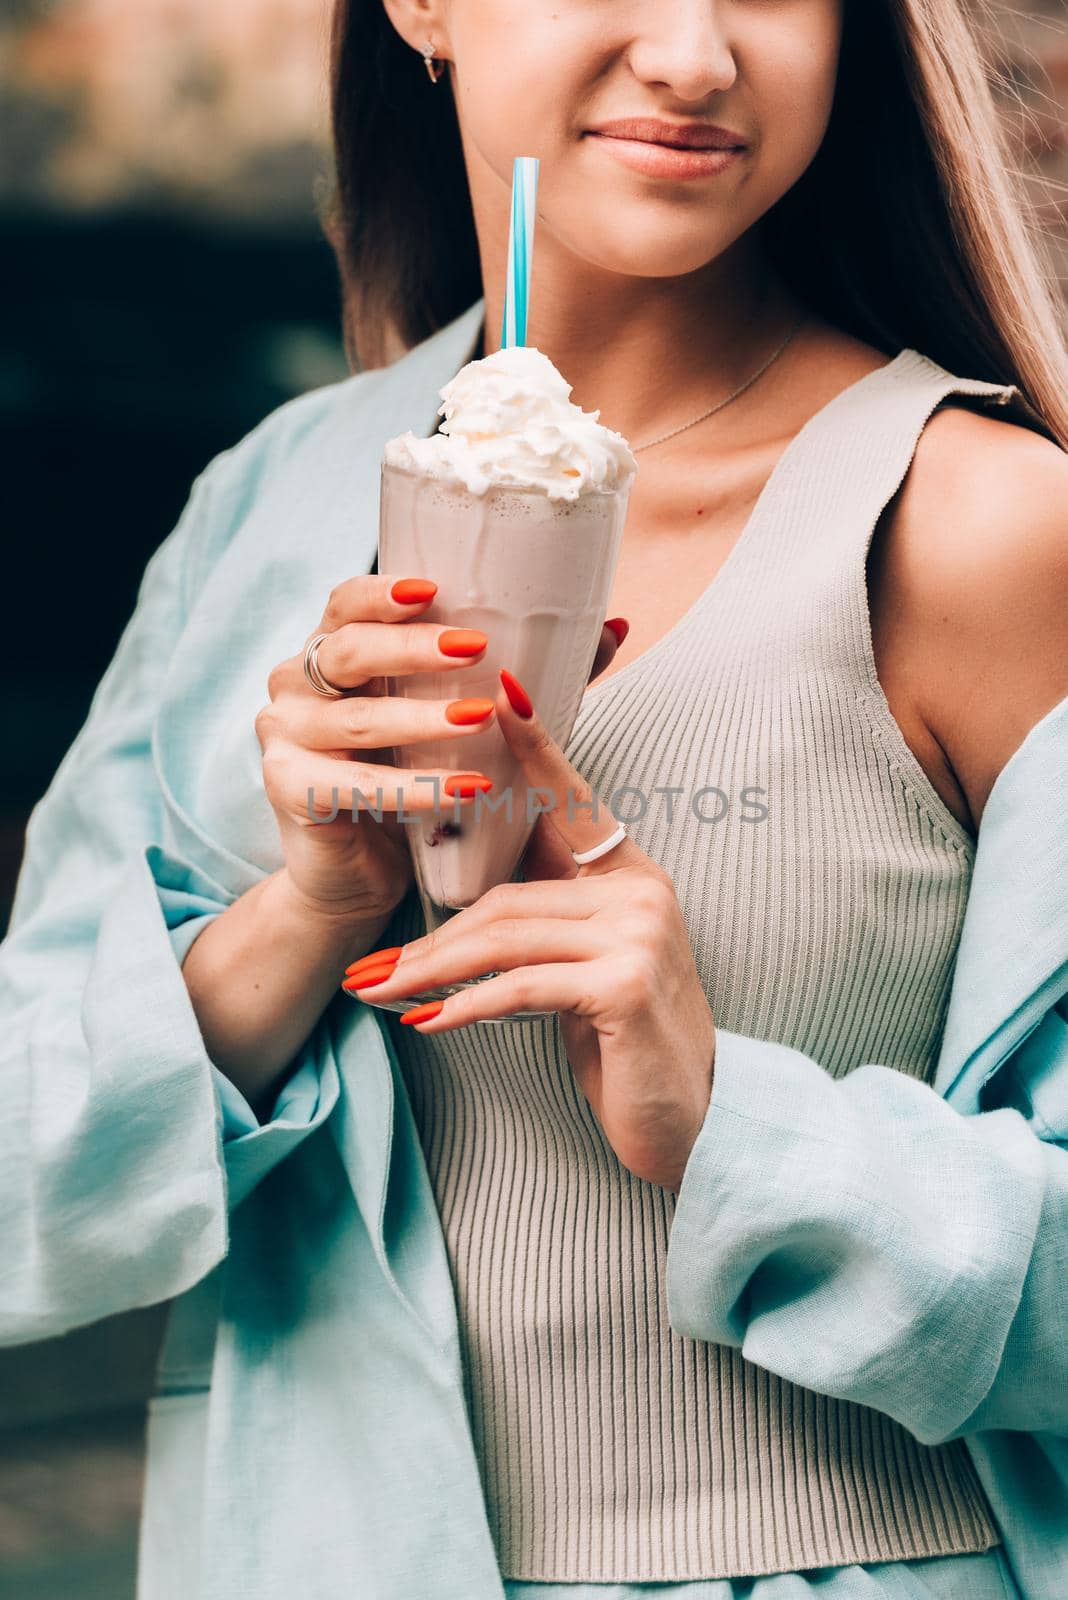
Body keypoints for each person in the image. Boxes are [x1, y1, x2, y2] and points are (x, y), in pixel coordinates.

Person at [2, 1, 1067, 1598]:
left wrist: (730, 1123)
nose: (697, 56)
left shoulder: (981, 527)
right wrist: (304, 919)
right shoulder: (258, 508)